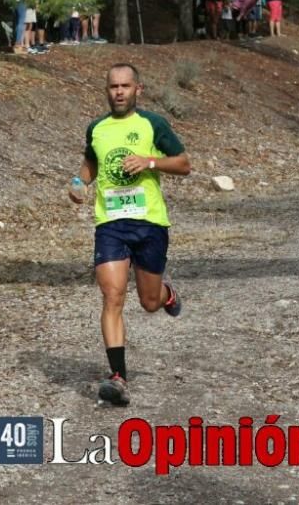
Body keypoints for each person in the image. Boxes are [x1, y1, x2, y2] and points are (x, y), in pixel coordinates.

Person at [68, 63, 191, 406]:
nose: (119, 92)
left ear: (138, 89)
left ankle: (166, 293)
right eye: (113, 87)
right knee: (112, 297)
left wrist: (150, 162)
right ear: (106, 90)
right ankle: (117, 377)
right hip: (110, 223)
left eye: (125, 86)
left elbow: (183, 163)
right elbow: (91, 163)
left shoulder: (153, 124)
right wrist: (79, 183)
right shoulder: (97, 128)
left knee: (149, 302)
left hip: (149, 222)